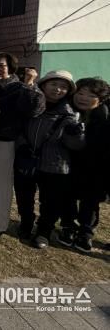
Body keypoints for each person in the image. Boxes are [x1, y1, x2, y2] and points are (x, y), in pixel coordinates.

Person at [0, 52, 44, 238]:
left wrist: (30, 84)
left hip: (5, 141)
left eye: (1, 66)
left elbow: (34, 109)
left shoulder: (19, 87)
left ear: (10, 68)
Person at [19, 71, 84, 249]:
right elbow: (19, 128)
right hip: (28, 159)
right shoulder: (32, 106)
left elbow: (75, 145)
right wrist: (22, 144)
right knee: (25, 196)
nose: (58, 89)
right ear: (44, 85)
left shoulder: (70, 114)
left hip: (55, 164)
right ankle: (26, 223)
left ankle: (44, 232)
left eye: (63, 87)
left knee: (50, 201)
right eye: (54, 84)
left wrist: (76, 135)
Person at [70, 77, 110, 252]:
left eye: (91, 95)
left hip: (97, 168)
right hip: (72, 164)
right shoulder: (70, 112)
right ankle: (69, 226)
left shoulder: (104, 118)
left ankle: (85, 233)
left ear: (100, 99)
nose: (83, 98)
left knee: (90, 201)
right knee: (69, 196)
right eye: (80, 93)